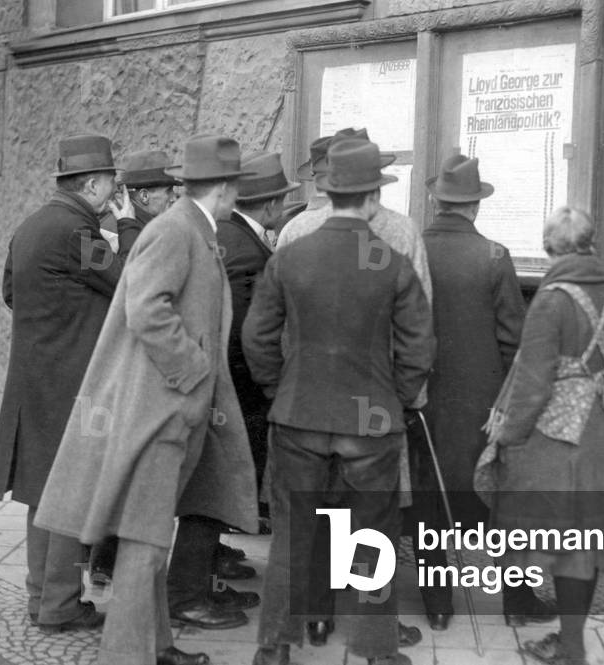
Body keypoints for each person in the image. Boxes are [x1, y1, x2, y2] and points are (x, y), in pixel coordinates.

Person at [33, 134, 259, 665]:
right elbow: (147, 308)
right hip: (159, 415)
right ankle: (129, 655)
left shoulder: (187, 227)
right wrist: (193, 370)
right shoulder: (177, 231)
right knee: (144, 544)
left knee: (149, 540)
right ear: (225, 188)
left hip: (168, 412)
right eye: (236, 188)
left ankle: (154, 645)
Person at [245, 138, 436, 665]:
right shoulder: (389, 261)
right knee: (372, 534)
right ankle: (376, 650)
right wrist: (395, 398)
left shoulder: (290, 253)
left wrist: (275, 387)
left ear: (328, 192)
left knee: (291, 531)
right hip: (370, 419)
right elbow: (419, 344)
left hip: (298, 413)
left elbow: (257, 336)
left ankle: (274, 648)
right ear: (372, 196)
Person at [0, 134, 138, 634]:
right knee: (68, 492)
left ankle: (40, 598)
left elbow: (12, 292)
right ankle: (59, 606)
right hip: (72, 383)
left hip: (35, 378)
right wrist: (127, 222)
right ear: (94, 184)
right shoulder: (78, 230)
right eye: (112, 185)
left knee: (40, 492)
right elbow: (124, 282)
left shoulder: (31, 225)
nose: (113, 194)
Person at [485, 206, 604, 665]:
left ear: (550, 249)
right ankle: (572, 642)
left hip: (555, 440)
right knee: (584, 544)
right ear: (589, 244)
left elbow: (531, 382)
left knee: (558, 544)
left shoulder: (551, 300)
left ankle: (570, 648)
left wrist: (507, 436)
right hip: (598, 432)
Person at [415, 154, 553, 629]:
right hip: (482, 406)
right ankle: (516, 600)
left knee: (430, 504)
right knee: (497, 501)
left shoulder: (411, 252)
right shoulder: (494, 256)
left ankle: (437, 608)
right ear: (475, 205)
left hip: (424, 402)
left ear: (438, 201)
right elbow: (514, 340)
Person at [90, 148, 180, 586]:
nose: (173, 199)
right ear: (142, 194)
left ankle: (109, 558)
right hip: (124, 369)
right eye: (166, 191)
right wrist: (126, 226)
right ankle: (105, 560)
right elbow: (125, 286)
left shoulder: (153, 228)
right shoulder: (116, 230)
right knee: (121, 469)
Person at [218, 151, 300, 523]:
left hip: (228, 378)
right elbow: (243, 327)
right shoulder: (249, 252)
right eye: (282, 201)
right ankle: (208, 567)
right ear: (270, 205)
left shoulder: (227, 232)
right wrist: (262, 385)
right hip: (242, 383)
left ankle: (215, 557)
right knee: (235, 468)